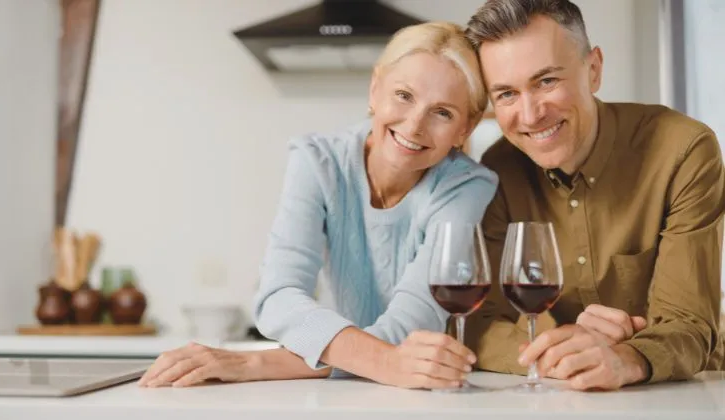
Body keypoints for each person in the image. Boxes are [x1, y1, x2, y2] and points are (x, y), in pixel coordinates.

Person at [138, 21, 498, 390]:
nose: (415, 124)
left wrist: (255, 361)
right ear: (375, 89)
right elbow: (278, 295)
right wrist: (386, 362)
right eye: (404, 95)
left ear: (465, 129)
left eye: (443, 113)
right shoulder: (318, 160)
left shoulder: (467, 186)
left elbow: (409, 332)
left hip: (428, 393)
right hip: (342, 390)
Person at [463, 0, 725, 391]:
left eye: (546, 81)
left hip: (685, 392)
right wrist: (571, 351)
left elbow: (688, 324)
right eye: (506, 94)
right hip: (564, 396)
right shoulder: (498, 170)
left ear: (594, 69)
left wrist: (624, 357)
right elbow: (481, 325)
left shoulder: (682, 150)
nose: (531, 114)